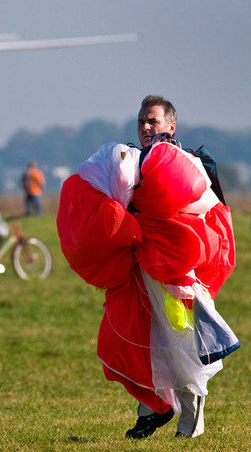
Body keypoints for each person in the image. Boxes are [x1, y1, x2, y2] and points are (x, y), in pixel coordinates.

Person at [57, 95, 238, 439]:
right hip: (139, 268)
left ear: (171, 126)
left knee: (183, 340)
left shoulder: (190, 163)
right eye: (141, 122)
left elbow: (211, 217)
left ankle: (190, 425)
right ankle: (152, 410)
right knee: (141, 337)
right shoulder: (129, 160)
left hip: (180, 272)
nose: (145, 128)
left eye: (152, 122)